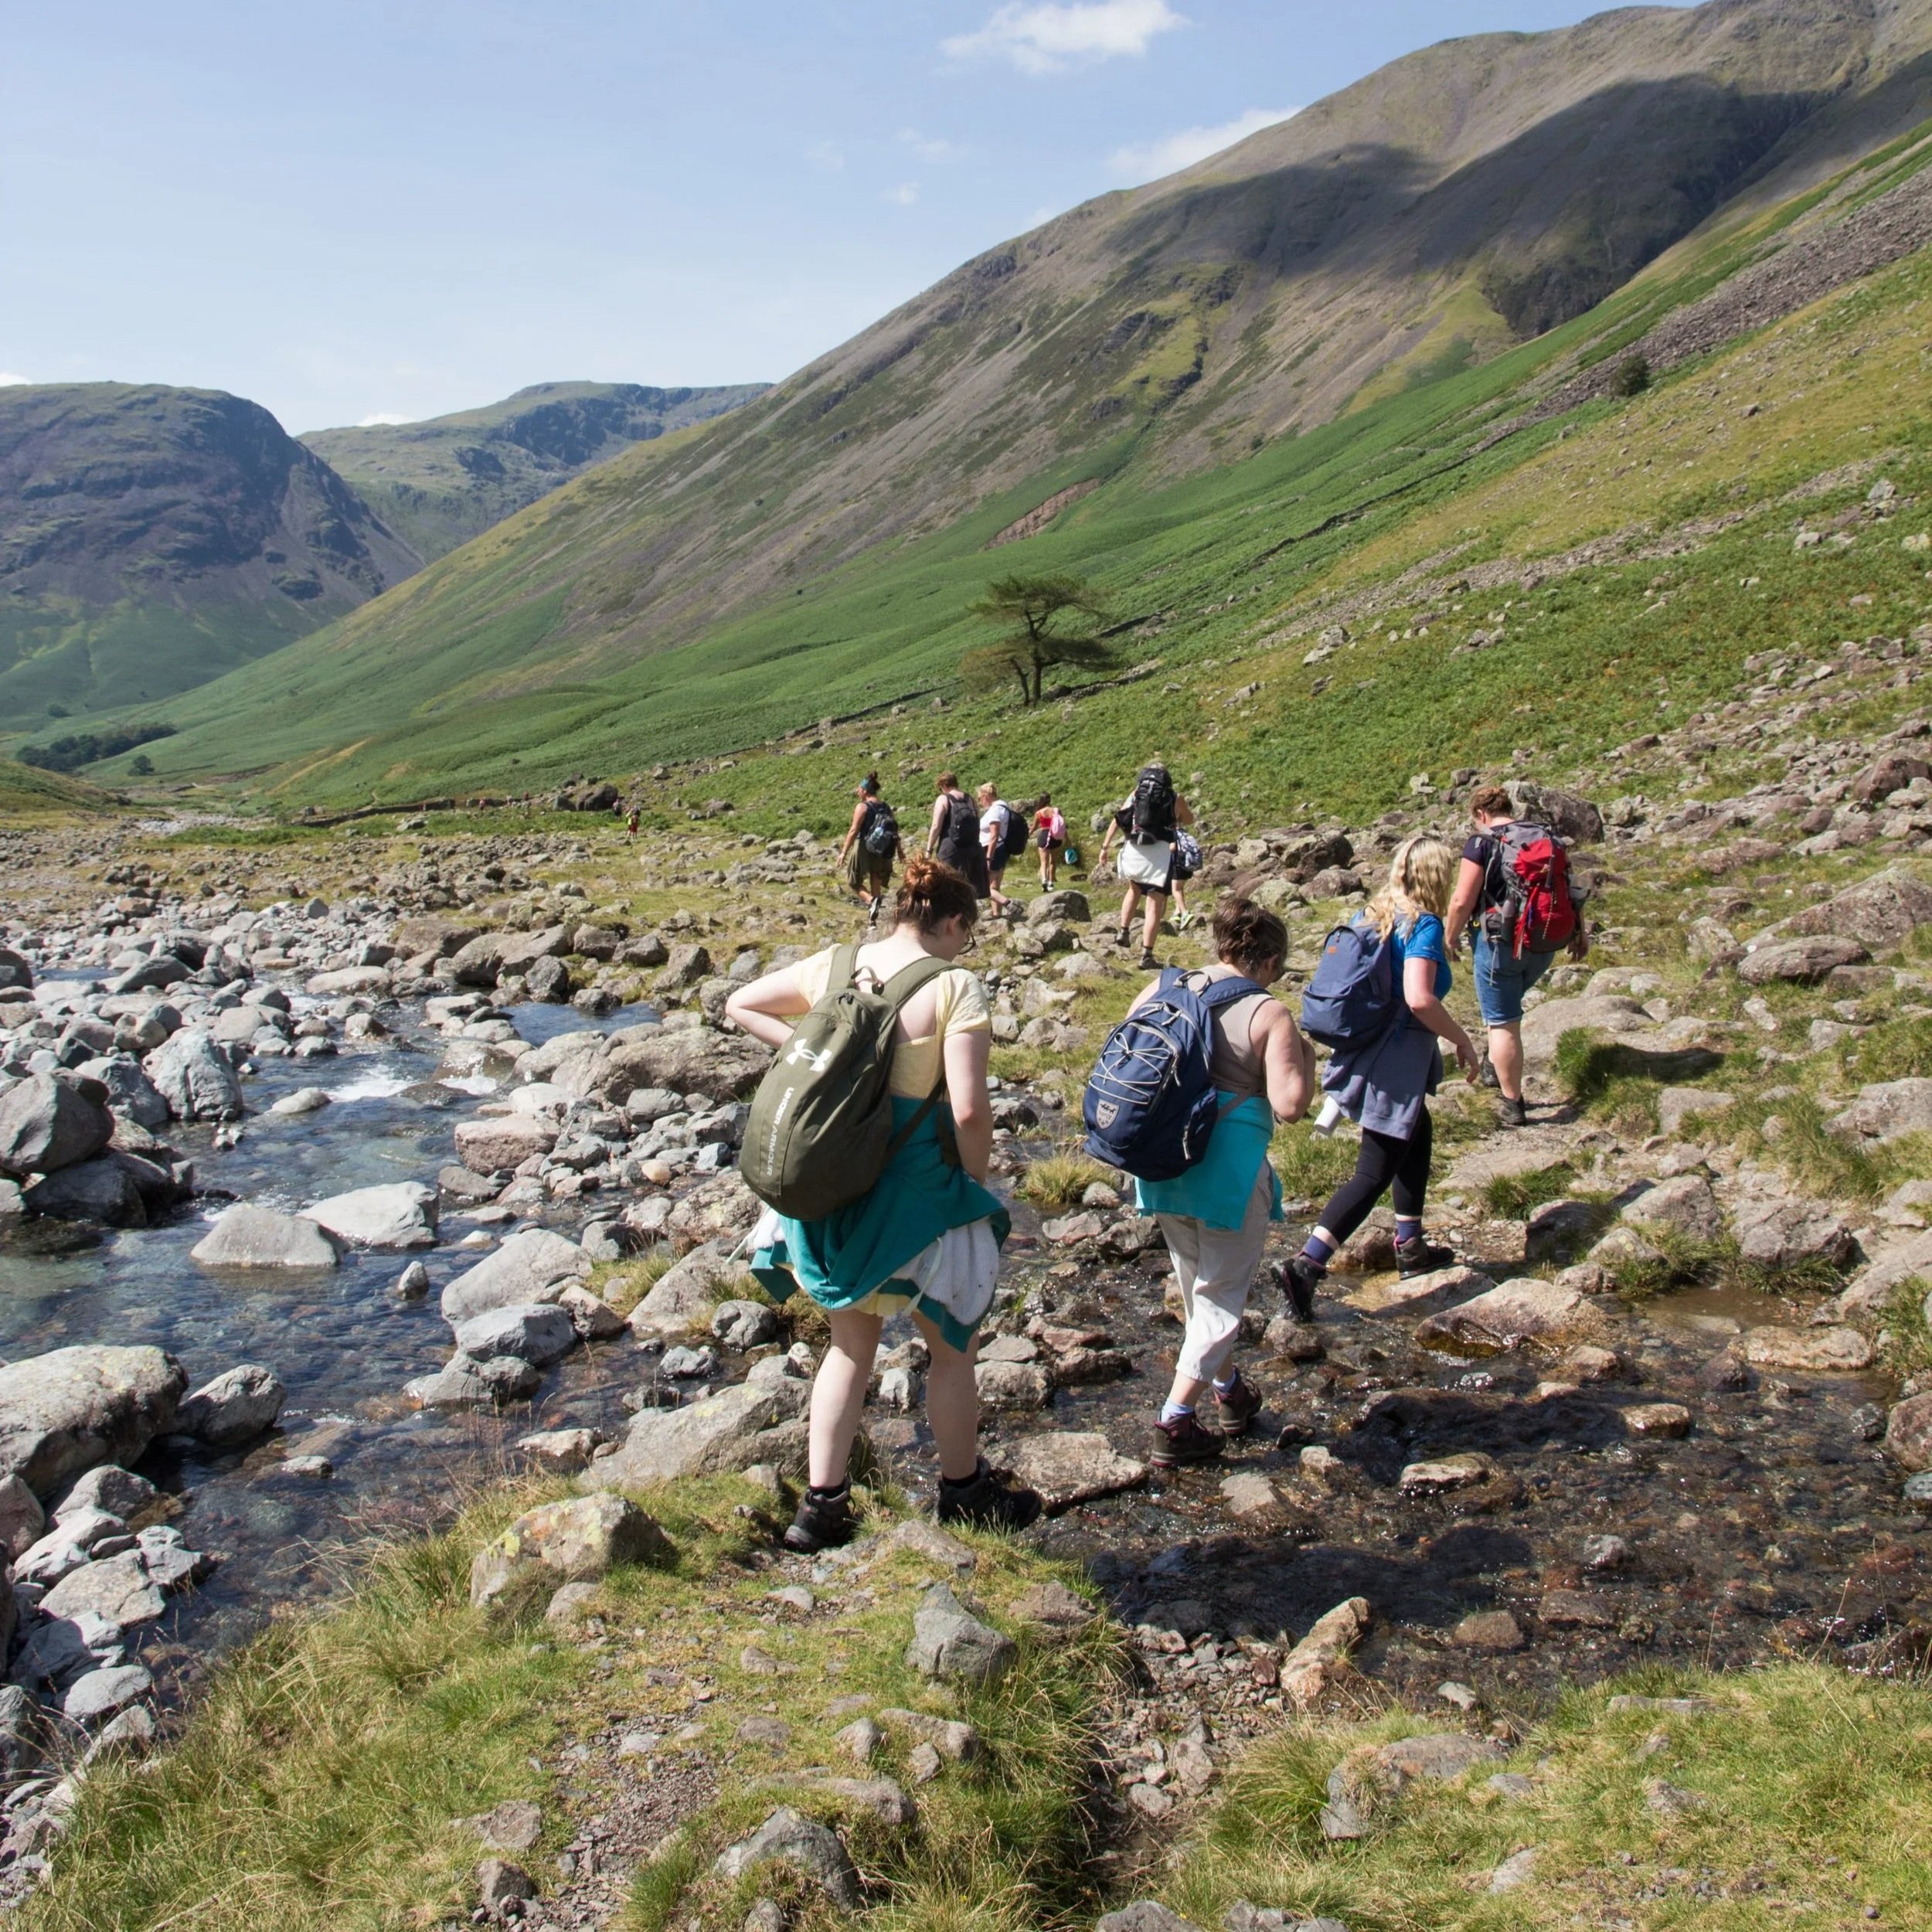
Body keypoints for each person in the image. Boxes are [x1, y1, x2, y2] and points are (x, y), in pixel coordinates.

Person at [725, 857, 1041, 1551]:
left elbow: (738, 1003)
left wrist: (819, 1059)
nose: (966, 946)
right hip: (915, 1199)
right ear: (952, 922)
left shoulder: (835, 963)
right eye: (968, 933)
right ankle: (962, 1494)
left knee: (848, 1348)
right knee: (953, 1349)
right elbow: (969, 1111)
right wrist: (975, 1184)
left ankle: (822, 1508)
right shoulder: (955, 984)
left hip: (832, 1188)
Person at [1126, 894, 1315, 1468]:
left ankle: (1230, 1392)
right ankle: (1175, 1422)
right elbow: (1290, 1106)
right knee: (1222, 1297)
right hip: (1227, 1171)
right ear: (1270, 960)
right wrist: (1304, 1056)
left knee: (1196, 1288)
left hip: (1161, 1162)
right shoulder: (1269, 1012)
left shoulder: (1168, 986)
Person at [1283, 835, 1482, 1310]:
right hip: (1394, 1060)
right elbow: (1419, 998)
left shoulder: (1374, 914)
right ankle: (1305, 1265)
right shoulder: (1425, 924)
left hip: (1371, 1049)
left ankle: (1410, 1246)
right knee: (1374, 1170)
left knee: (1417, 1131)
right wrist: (1462, 1039)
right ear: (1437, 875)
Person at [1444, 784, 1590, 1128]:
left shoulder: (1482, 843)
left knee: (1503, 1022)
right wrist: (1581, 934)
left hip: (1500, 944)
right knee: (1507, 1011)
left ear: (1481, 815)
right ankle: (1497, 1063)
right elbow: (1571, 889)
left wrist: (1449, 939)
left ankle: (1512, 1103)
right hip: (1544, 942)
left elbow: (1462, 901)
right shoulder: (1546, 838)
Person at [1094, 760, 1193, 971]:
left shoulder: (1137, 792)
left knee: (1134, 889)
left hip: (1135, 847)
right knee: (1155, 904)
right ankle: (1146, 955)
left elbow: (1118, 819)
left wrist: (1105, 847)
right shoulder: (1174, 797)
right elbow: (1189, 820)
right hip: (1160, 853)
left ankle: (1124, 931)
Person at [838, 773, 903, 925]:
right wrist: (900, 851)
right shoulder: (886, 807)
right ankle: (873, 920)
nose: (857, 792)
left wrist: (843, 852)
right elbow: (895, 831)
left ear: (865, 790)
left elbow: (854, 830)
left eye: (859, 789)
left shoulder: (862, 807)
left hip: (864, 847)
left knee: (853, 881)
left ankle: (871, 900)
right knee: (876, 877)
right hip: (883, 849)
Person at [925, 773, 989, 899]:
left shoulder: (944, 799)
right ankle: (967, 915)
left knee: (947, 885)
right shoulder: (970, 799)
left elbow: (936, 826)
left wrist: (929, 849)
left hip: (950, 848)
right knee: (967, 887)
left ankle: (950, 916)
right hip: (972, 848)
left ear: (944, 785)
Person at [977, 783, 1015, 916]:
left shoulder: (995, 810)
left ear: (986, 796)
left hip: (993, 850)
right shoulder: (1003, 807)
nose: (980, 802)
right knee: (994, 885)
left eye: (980, 798)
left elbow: (994, 835)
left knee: (983, 886)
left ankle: (1007, 903)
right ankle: (997, 914)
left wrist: (988, 857)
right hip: (1002, 849)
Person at [1033, 793, 1067, 888]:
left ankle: (1044, 880)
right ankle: (1051, 882)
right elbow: (1063, 825)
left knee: (1044, 862)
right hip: (1055, 837)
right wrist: (1067, 838)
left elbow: (1034, 828)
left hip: (1044, 836)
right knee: (1053, 861)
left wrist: (1029, 833)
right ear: (1050, 800)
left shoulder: (1039, 813)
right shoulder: (1057, 810)